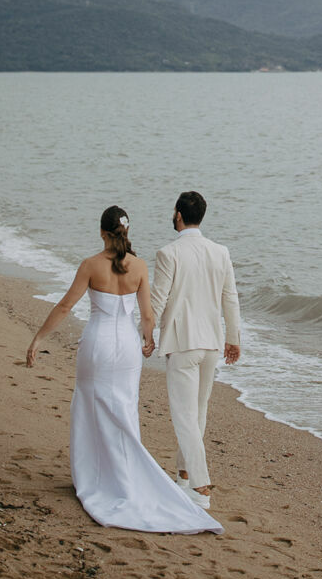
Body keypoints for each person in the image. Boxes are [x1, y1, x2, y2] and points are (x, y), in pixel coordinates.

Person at [26, 205, 221, 535]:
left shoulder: (91, 265)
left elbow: (65, 305)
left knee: (89, 405)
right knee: (125, 409)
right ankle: (126, 475)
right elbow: (147, 316)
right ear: (126, 231)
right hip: (128, 347)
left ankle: (93, 476)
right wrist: (148, 340)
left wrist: (38, 338)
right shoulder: (140, 266)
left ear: (102, 232)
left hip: (98, 345)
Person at [151, 190, 240, 509]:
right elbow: (230, 297)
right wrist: (233, 337)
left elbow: (158, 299)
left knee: (184, 416)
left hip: (183, 342)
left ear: (178, 215)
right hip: (211, 343)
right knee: (198, 413)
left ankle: (201, 487)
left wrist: (144, 334)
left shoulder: (168, 253)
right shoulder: (220, 252)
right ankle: (184, 476)